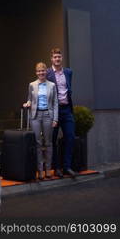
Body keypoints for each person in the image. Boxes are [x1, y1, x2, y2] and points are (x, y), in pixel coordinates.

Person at [23, 62, 58, 180]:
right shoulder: (32, 85)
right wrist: (27, 103)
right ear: (36, 72)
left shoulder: (52, 85)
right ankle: (40, 170)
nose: (41, 73)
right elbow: (29, 99)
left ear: (46, 72)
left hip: (48, 115)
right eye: (38, 71)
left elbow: (55, 103)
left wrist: (55, 118)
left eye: (42, 70)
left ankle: (48, 169)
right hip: (35, 116)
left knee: (48, 143)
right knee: (38, 144)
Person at [47, 48, 76, 178]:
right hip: (54, 112)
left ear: (61, 58)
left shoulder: (68, 72)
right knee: (53, 140)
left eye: (59, 56)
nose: (57, 59)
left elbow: (68, 90)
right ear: (51, 59)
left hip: (67, 110)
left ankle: (67, 167)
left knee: (70, 137)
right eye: (55, 57)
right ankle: (56, 168)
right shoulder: (47, 73)